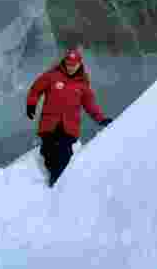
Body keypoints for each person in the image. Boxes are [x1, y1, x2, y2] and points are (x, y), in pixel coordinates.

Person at [26, 48, 112, 187]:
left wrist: (101, 119)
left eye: (74, 65)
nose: (71, 67)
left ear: (79, 64)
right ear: (64, 63)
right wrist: (31, 104)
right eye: (68, 64)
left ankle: (59, 185)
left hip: (69, 127)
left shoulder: (83, 84)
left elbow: (90, 105)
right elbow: (36, 89)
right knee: (48, 150)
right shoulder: (52, 76)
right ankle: (55, 177)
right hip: (50, 123)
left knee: (64, 152)